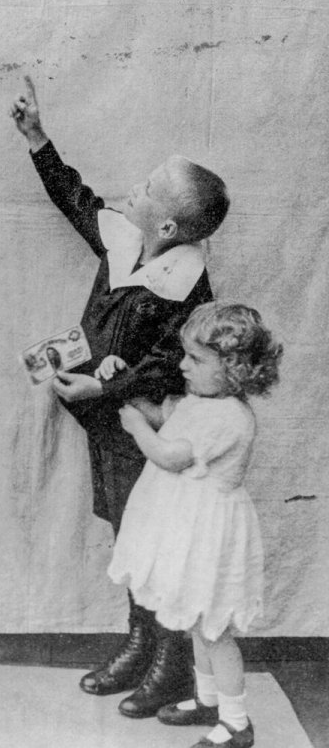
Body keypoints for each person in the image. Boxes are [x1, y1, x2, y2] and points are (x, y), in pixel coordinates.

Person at [10, 75, 230, 717]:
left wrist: (106, 384)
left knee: (155, 540)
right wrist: (37, 138)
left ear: (167, 223)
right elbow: (74, 198)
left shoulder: (189, 282)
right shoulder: (126, 239)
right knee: (127, 533)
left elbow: (169, 364)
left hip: (146, 427)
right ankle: (141, 644)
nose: (132, 188)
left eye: (147, 187)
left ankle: (173, 662)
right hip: (105, 423)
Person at [106, 302, 282, 747]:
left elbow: (169, 455)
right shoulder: (200, 402)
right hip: (188, 526)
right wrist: (123, 385)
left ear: (233, 368)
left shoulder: (230, 417)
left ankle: (237, 724)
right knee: (195, 618)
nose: (182, 366)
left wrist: (136, 427)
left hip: (209, 534)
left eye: (195, 359)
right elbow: (165, 419)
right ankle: (207, 700)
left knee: (213, 628)